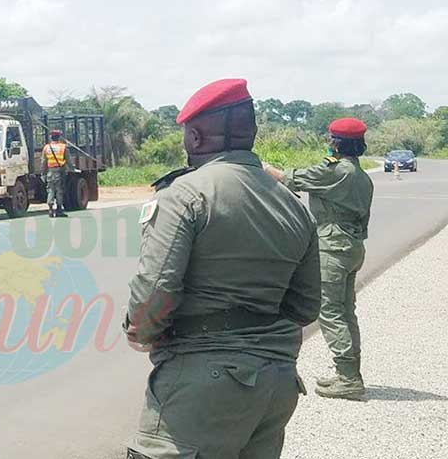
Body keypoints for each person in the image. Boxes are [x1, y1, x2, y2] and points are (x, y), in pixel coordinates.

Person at [124, 79, 321, 459]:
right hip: (276, 383)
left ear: (195, 138)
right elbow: (306, 307)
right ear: (253, 133)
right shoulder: (293, 204)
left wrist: (142, 330)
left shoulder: (185, 194)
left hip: (203, 383)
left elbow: (155, 290)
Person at [264, 118, 374, 401]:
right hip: (352, 247)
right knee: (346, 312)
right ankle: (349, 374)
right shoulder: (362, 176)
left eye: (330, 139)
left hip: (333, 248)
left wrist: (263, 168)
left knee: (331, 313)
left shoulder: (337, 172)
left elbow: (292, 178)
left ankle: (348, 379)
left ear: (336, 143)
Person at [42, 130, 70, 218]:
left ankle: (50, 210)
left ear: (51, 137)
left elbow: (43, 162)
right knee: (59, 191)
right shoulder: (63, 147)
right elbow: (68, 161)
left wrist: (43, 174)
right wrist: (73, 169)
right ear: (59, 137)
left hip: (50, 172)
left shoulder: (46, 148)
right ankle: (58, 210)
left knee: (50, 190)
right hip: (60, 172)